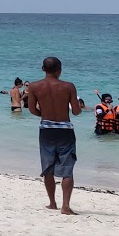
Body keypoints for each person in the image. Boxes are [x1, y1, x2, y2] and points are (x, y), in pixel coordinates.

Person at [26, 55, 84, 215]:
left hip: (46, 129)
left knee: (48, 166)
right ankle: (65, 206)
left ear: (43, 69)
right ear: (60, 70)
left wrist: (45, 115)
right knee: (67, 168)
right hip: (65, 129)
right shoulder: (68, 86)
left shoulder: (34, 86)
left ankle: (52, 203)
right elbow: (77, 111)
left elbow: (32, 110)